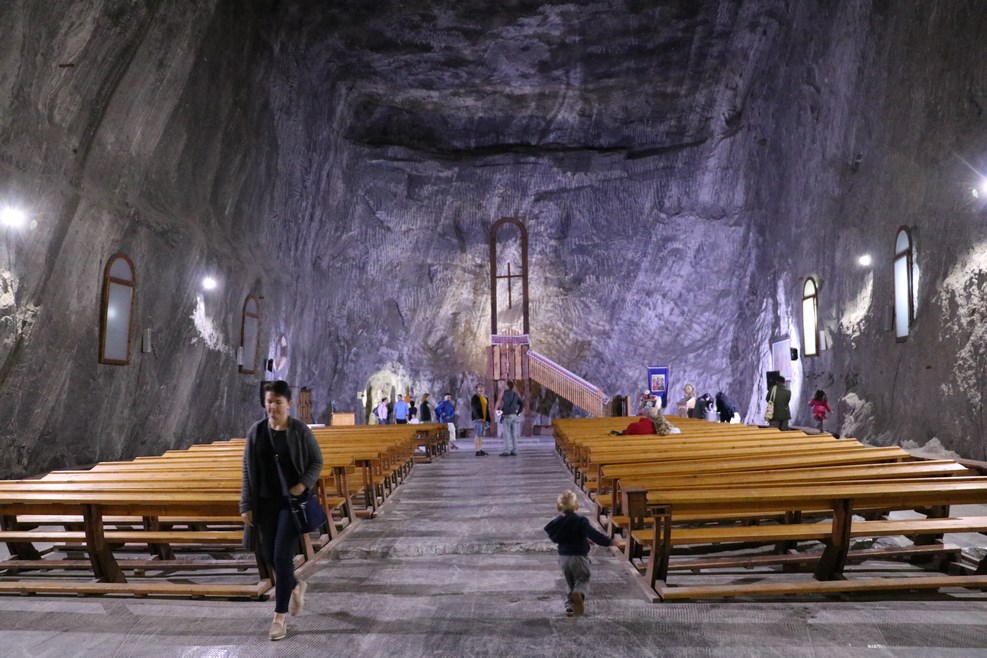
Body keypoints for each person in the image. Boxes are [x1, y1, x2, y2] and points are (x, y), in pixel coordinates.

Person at [240, 380, 324, 641]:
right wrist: (246, 504)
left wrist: (303, 484)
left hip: (290, 504)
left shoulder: (299, 431)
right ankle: (296, 585)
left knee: (281, 554)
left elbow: (316, 460)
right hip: (265, 504)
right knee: (268, 555)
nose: (272, 407)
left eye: (278, 402)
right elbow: (247, 470)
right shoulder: (256, 432)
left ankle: (279, 617)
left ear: (288, 403)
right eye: (269, 402)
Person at [544, 490, 615, 617]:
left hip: (564, 559)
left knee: (570, 582)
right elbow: (594, 534)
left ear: (558, 507)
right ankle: (579, 594)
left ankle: (570, 607)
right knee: (582, 579)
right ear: (577, 506)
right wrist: (608, 541)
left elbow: (565, 536)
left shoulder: (557, 524)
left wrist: (583, 539)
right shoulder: (581, 521)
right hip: (579, 557)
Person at [497, 381, 523, 456]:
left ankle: (507, 451)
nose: (504, 386)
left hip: (507, 416)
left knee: (506, 434)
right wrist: (518, 413)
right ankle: (515, 450)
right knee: (514, 434)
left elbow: (506, 404)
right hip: (514, 415)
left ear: (508, 386)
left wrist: (503, 414)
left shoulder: (505, 394)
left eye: (505, 385)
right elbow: (522, 404)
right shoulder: (515, 394)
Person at [470, 382, 491, 456]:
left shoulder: (485, 397)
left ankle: (480, 449)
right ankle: (477, 450)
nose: (481, 388)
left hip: (484, 419)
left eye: (482, 387)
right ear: (477, 389)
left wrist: (488, 419)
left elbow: (487, 409)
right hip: (478, 419)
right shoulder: (475, 397)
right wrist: (478, 417)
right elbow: (474, 408)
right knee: (477, 434)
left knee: (481, 435)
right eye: (479, 387)